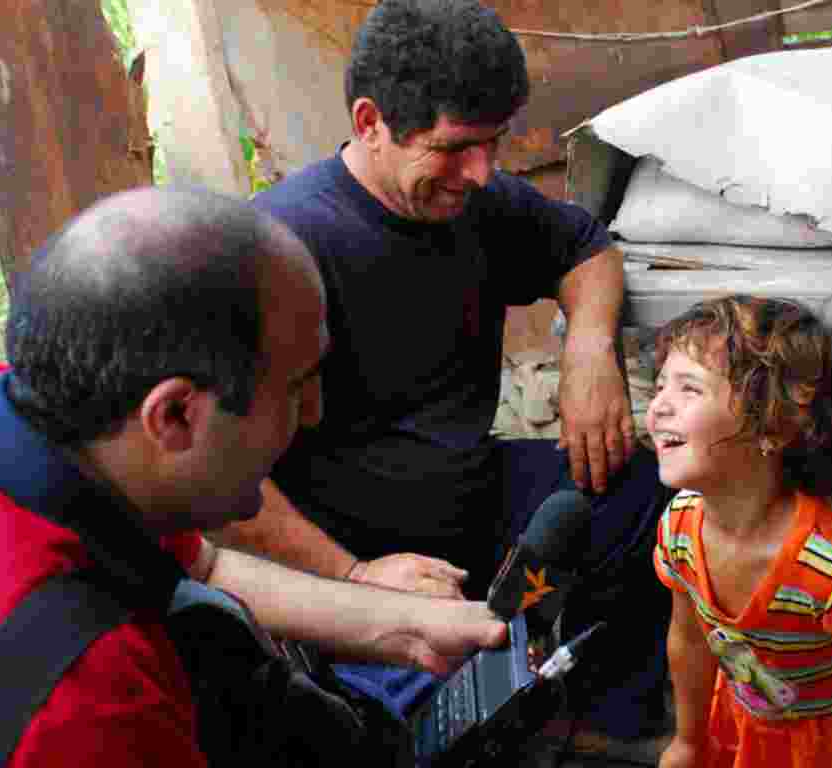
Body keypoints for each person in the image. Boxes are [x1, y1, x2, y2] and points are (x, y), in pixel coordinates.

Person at [0, 185, 507, 767]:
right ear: (176, 414)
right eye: (296, 385)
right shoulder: (84, 705)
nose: (315, 413)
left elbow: (202, 565)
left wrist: (415, 627)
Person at [236, 0, 674, 747]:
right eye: (456, 148)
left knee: (645, 492)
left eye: (496, 143)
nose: (482, 172)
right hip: (343, 555)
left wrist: (587, 353)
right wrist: (353, 579)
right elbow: (229, 490)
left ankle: (605, 726)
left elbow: (585, 247)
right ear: (370, 121)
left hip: (476, 505)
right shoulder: (275, 250)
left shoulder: (476, 202)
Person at [648, 295, 832, 767]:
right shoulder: (680, 527)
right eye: (660, 384)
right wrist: (688, 742)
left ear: (775, 426)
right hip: (750, 733)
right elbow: (688, 638)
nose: (658, 406)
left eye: (689, 389)